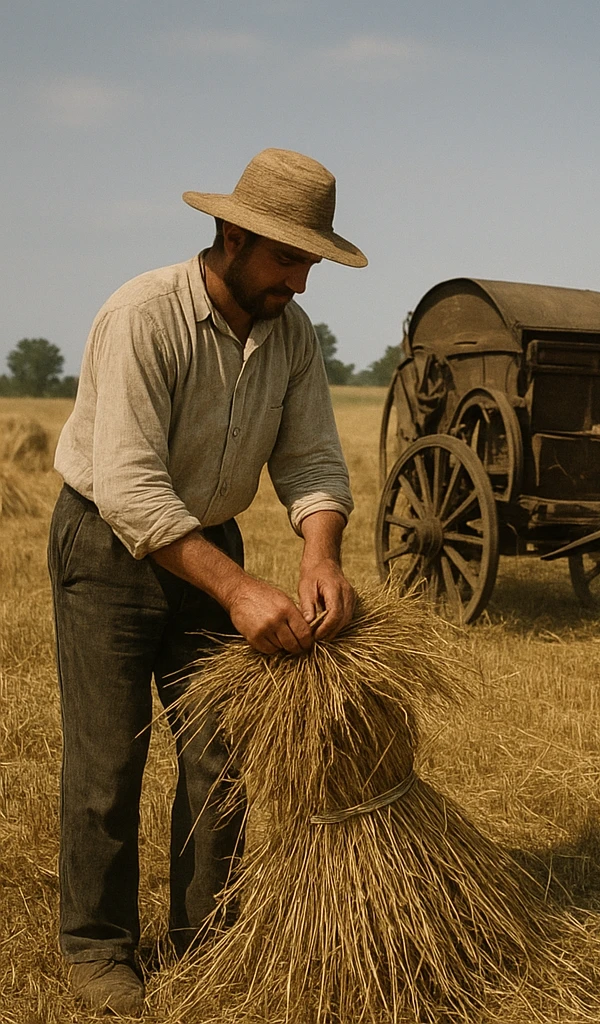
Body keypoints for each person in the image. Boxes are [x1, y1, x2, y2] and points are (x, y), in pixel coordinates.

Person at [48, 148, 366, 1016]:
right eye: (290, 258)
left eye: (311, 261)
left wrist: (318, 554)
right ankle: (97, 948)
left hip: (208, 545)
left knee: (220, 757)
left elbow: (310, 460)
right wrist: (238, 590)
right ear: (232, 235)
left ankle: (205, 936)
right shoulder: (143, 315)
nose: (302, 283)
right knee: (109, 759)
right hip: (109, 546)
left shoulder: (289, 336)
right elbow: (132, 490)